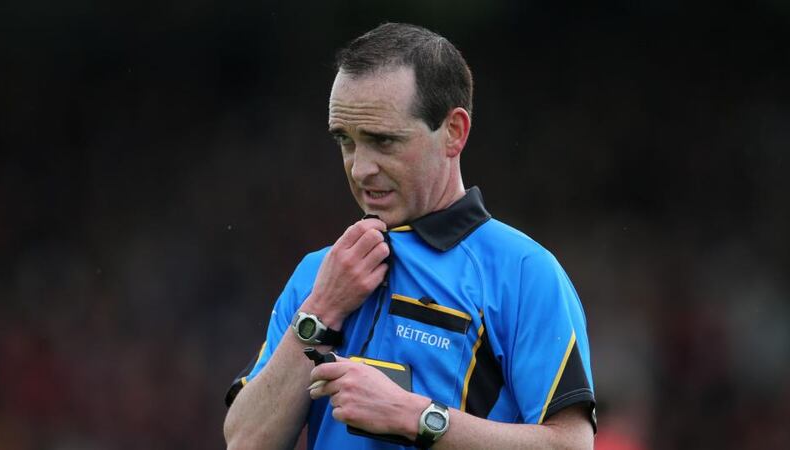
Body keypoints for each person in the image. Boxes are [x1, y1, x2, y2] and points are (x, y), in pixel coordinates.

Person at [223, 22, 596, 450]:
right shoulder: (319, 275)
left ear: (454, 132)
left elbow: (572, 445)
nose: (360, 169)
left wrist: (417, 417)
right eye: (346, 141)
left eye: (383, 141)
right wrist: (320, 312)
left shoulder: (523, 272)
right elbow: (245, 442)